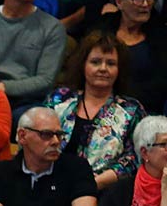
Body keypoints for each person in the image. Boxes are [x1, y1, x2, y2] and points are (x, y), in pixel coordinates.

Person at [47, 32, 145, 191]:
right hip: (50, 186)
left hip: (104, 191)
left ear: (119, 69)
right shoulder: (59, 99)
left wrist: (95, 183)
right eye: (95, 62)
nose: (103, 69)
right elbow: (35, 140)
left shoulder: (131, 110)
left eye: (111, 63)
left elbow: (135, 158)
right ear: (83, 65)